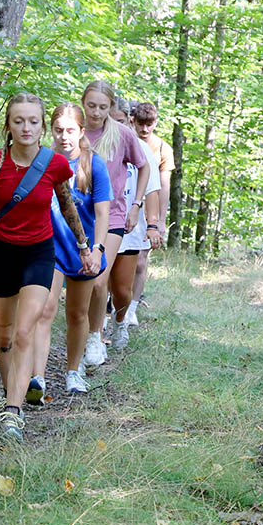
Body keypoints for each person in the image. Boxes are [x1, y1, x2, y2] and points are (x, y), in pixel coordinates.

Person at [0, 93, 96, 443]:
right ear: (8, 126)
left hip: (39, 254)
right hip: (2, 254)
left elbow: (67, 206)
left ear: (41, 127)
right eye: (18, 121)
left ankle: (13, 413)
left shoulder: (54, 165)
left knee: (24, 333)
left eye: (33, 121)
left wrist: (83, 246)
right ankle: (12, 398)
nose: (26, 127)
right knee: (4, 336)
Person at [27, 104, 111, 400]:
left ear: (81, 132)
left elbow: (103, 213)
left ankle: (73, 372)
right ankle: (36, 378)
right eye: (59, 130)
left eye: (70, 131)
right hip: (48, 246)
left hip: (84, 250)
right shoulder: (42, 162)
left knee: (77, 314)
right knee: (44, 310)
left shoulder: (93, 165)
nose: (64, 137)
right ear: (51, 131)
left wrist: (98, 249)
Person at [79, 82, 154, 368]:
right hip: (79, 217)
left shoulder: (122, 134)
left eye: (102, 106)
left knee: (100, 280)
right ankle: (86, 334)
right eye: (91, 105)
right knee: (85, 281)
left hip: (113, 216)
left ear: (111, 107)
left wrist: (136, 204)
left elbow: (145, 166)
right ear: (83, 103)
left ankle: (99, 335)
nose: (96, 112)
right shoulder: (76, 132)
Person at [112, 120, 161, 343]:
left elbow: (153, 189)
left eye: (120, 120)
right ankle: (95, 334)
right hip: (103, 223)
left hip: (131, 226)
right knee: (99, 282)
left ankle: (121, 317)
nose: (116, 125)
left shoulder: (141, 150)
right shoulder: (94, 143)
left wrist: (153, 224)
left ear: (128, 121)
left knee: (122, 288)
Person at [128, 102, 173, 325]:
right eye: (141, 124)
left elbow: (163, 186)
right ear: (132, 121)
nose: (145, 129)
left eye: (149, 124)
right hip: (126, 206)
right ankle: (111, 304)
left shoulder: (163, 149)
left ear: (155, 123)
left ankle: (132, 307)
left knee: (140, 261)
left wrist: (160, 220)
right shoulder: (125, 142)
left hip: (149, 210)